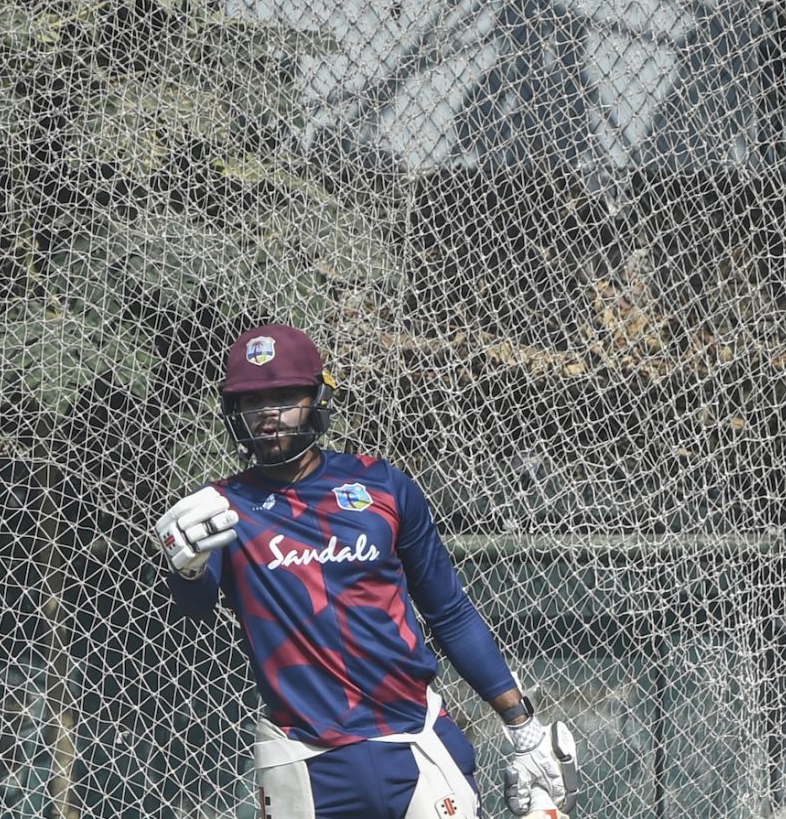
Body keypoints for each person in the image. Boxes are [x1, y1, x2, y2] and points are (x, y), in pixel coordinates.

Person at [149, 325, 578, 819]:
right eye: (252, 401)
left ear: (318, 397)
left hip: (416, 740)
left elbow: (450, 613)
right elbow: (194, 606)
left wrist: (522, 728)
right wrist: (185, 569)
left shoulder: (383, 485)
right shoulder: (220, 509)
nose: (268, 415)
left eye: (284, 396)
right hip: (304, 761)